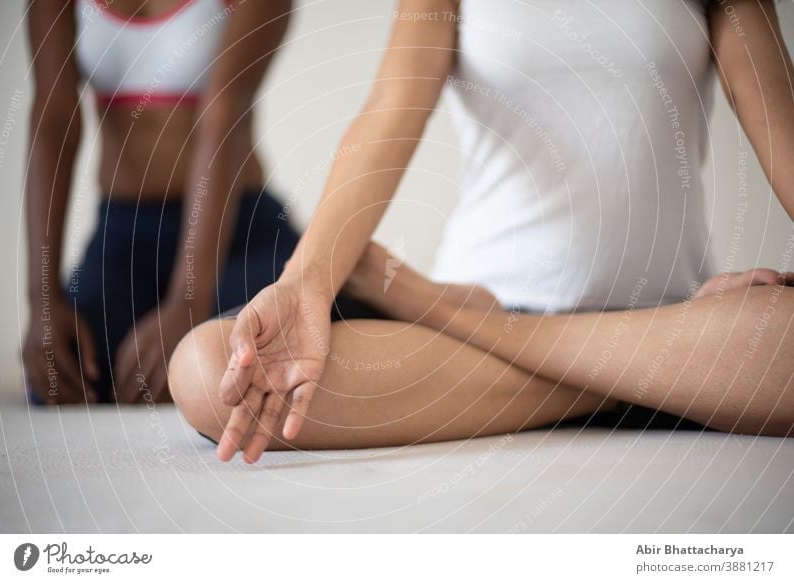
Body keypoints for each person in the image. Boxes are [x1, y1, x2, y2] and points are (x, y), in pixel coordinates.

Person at [169, 0, 794, 464]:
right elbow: (389, 112)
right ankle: (647, 390)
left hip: (663, 321)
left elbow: (783, 123)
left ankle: (429, 302)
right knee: (208, 371)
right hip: (584, 343)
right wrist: (303, 283)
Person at [23, 0, 299, 405]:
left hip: (239, 230)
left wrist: (188, 300)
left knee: (226, 365)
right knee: (63, 375)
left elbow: (221, 115)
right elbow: (53, 119)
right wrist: (41, 302)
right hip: (124, 233)